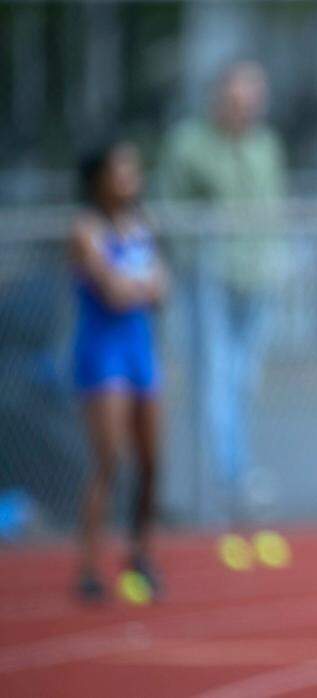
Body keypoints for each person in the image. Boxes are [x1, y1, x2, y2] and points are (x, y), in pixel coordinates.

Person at [159, 61, 287, 520]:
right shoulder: (188, 145)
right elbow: (171, 212)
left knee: (243, 381)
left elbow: (274, 207)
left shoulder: (264, 144)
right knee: (214, 379)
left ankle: (234, 475)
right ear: (218, 99)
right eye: (237, 100)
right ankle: (227, 481)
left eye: (253, 101)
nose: (245, 110)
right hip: (208, 279)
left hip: (257, 280)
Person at [71, 139, 167, 602]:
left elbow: (160, 288)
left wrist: (137, 286)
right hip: (102, 354)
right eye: (121, 167)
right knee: (110, 459)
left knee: (151, 462)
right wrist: (138, 286)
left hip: (139, 351)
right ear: (100, 178)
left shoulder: (141, 226)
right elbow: (112, 291)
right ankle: (89, 565)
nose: (131, 175)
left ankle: (140, 553)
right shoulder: (86, 229)